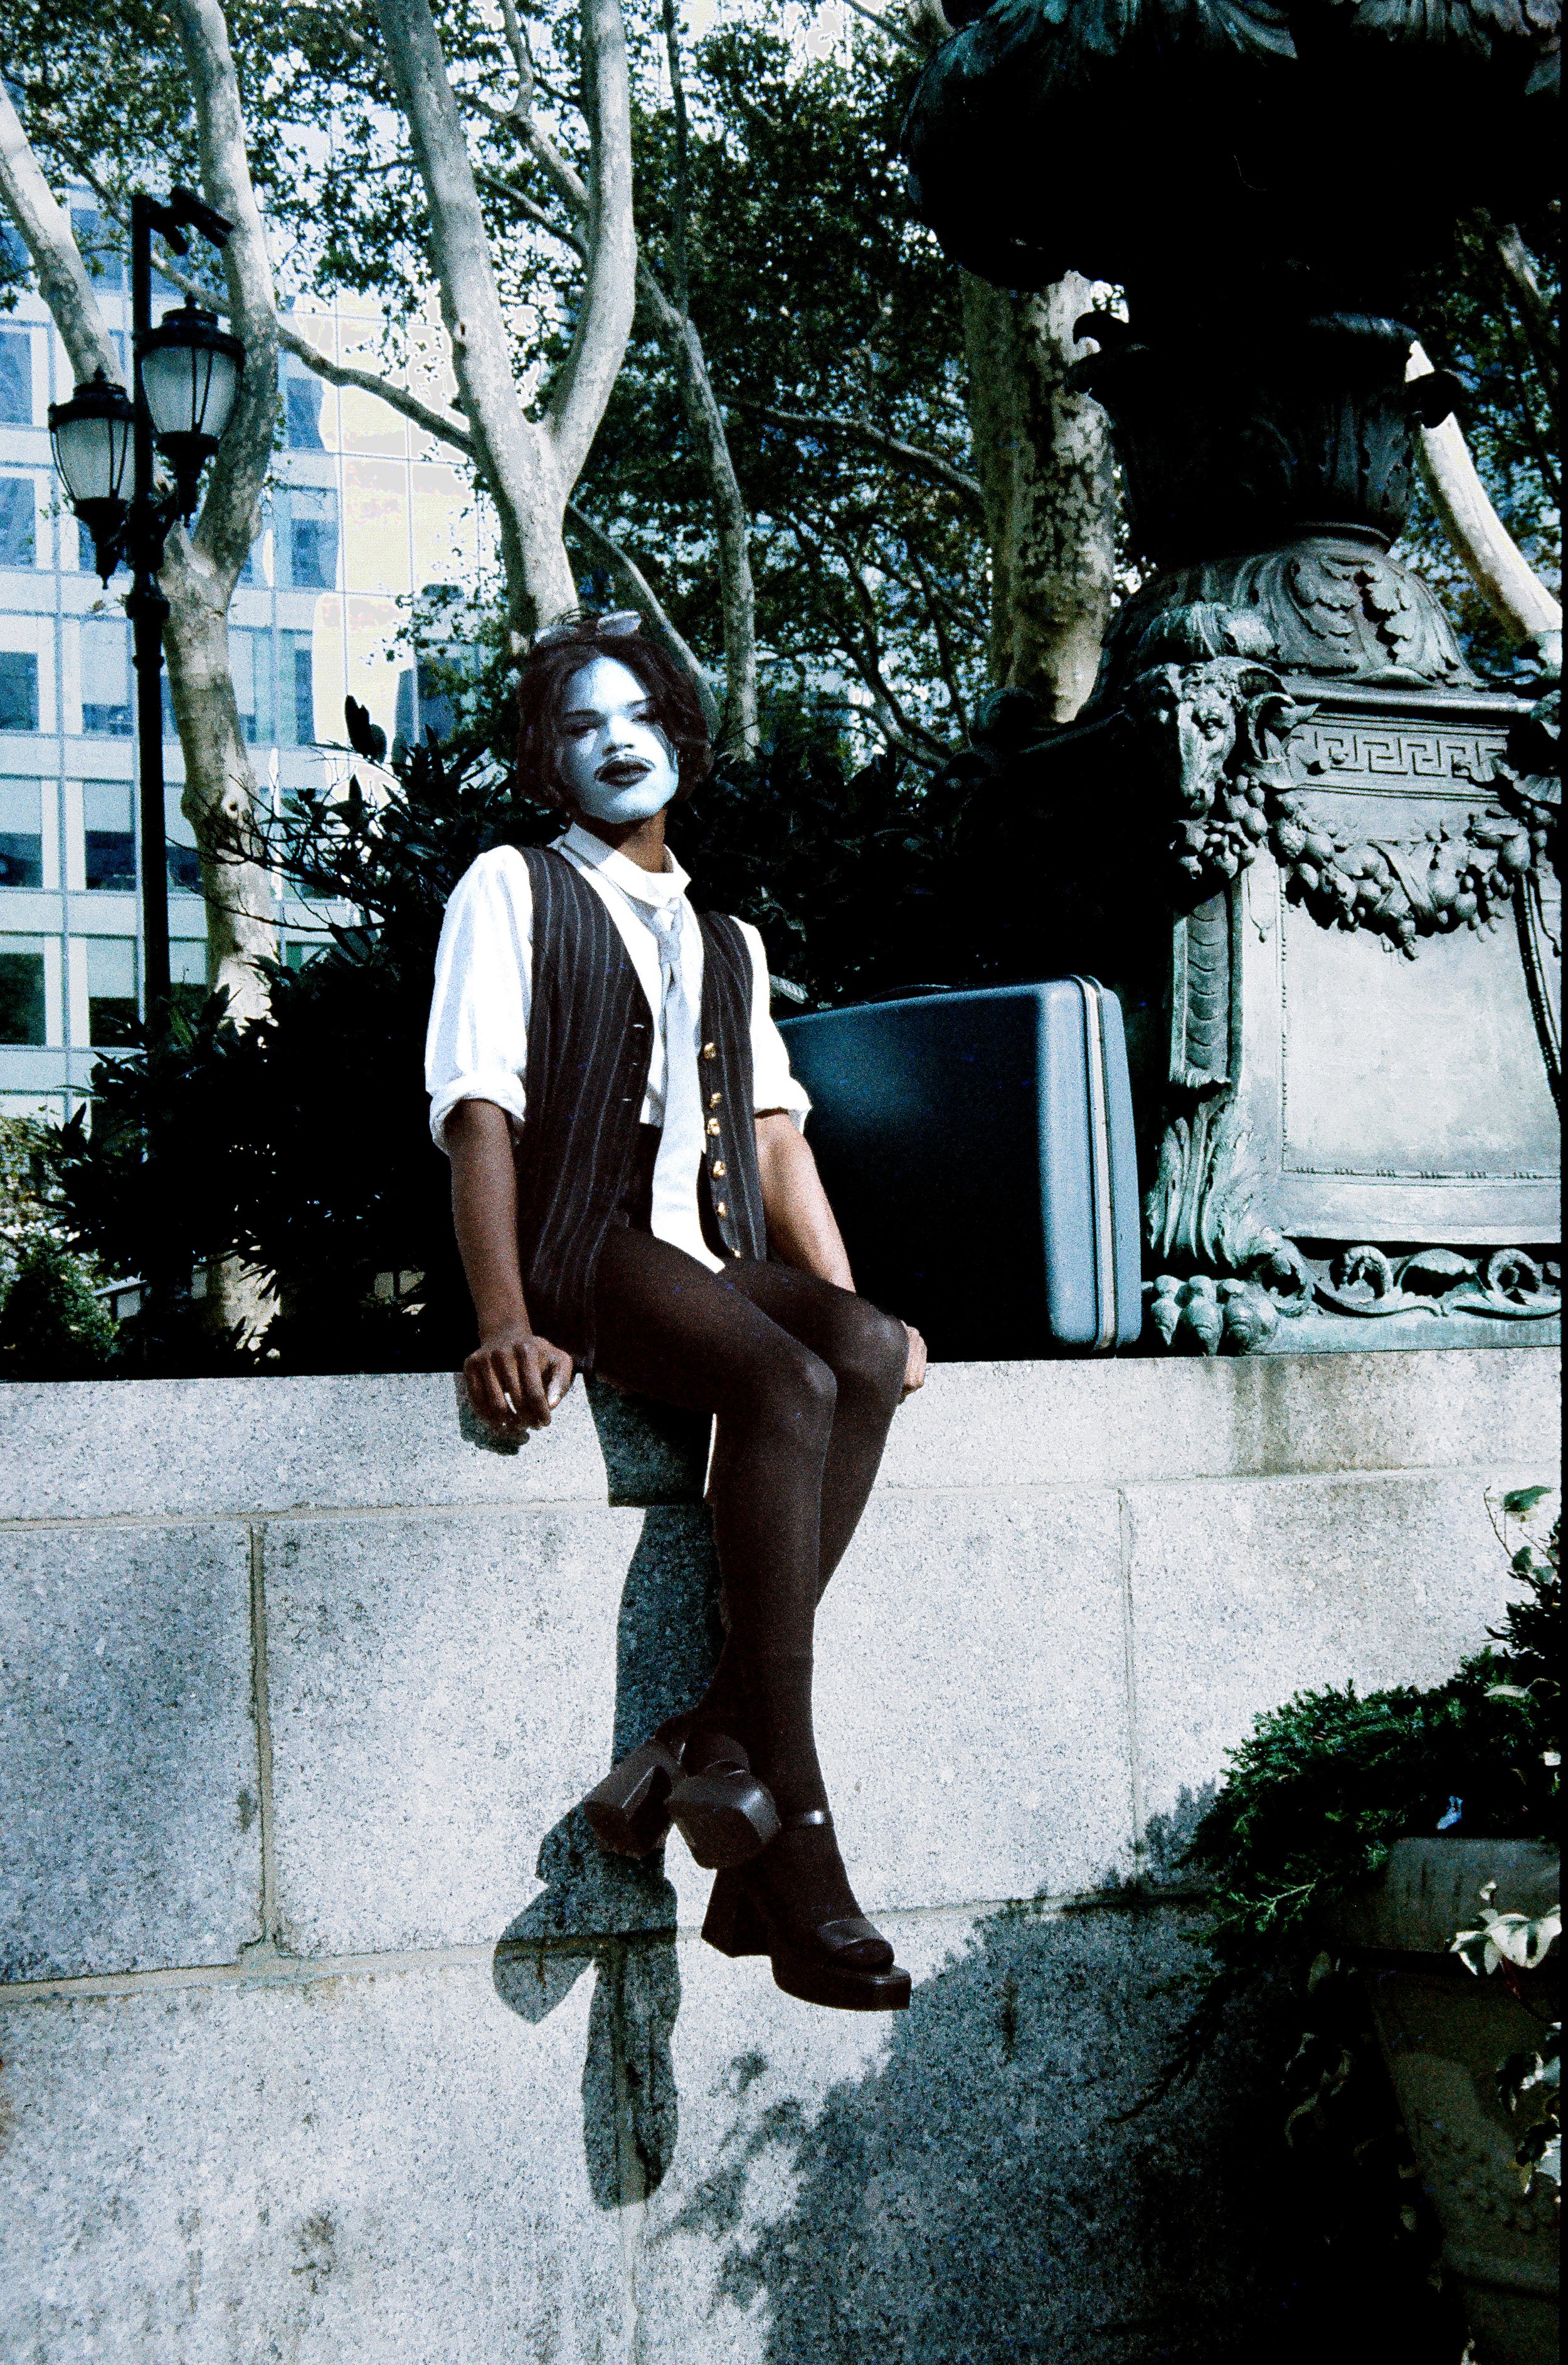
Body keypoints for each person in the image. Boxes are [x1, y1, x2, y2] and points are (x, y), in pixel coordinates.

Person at [425, 611, 927, 2014]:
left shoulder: (726, 937)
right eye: (580, 724)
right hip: (582, 1245)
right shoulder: (511, 889)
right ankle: (797, 1844)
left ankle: (697, 1747)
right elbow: (477, 1115)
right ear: (547, 758)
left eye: (638, 712)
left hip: (703, 1253)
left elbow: (775, 1144)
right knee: (786, 1388)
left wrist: (850, 1310)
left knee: (862, 1354)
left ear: (682, 735)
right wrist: (502, 1318)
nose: (616, 741)